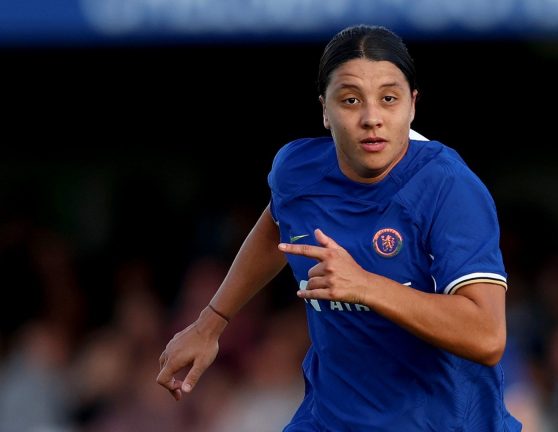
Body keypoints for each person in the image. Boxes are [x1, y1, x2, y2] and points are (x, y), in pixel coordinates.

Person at [157, 23, 522, 431]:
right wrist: (210, 324)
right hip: (330, 418)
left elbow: (488, 337)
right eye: (350, 100)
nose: (372, 118)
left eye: (389, 99)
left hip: (444, 422)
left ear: (413, 105)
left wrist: (364, 285)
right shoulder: (297, 170)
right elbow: (275, 225)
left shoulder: (450, 188)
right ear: (325, 111)